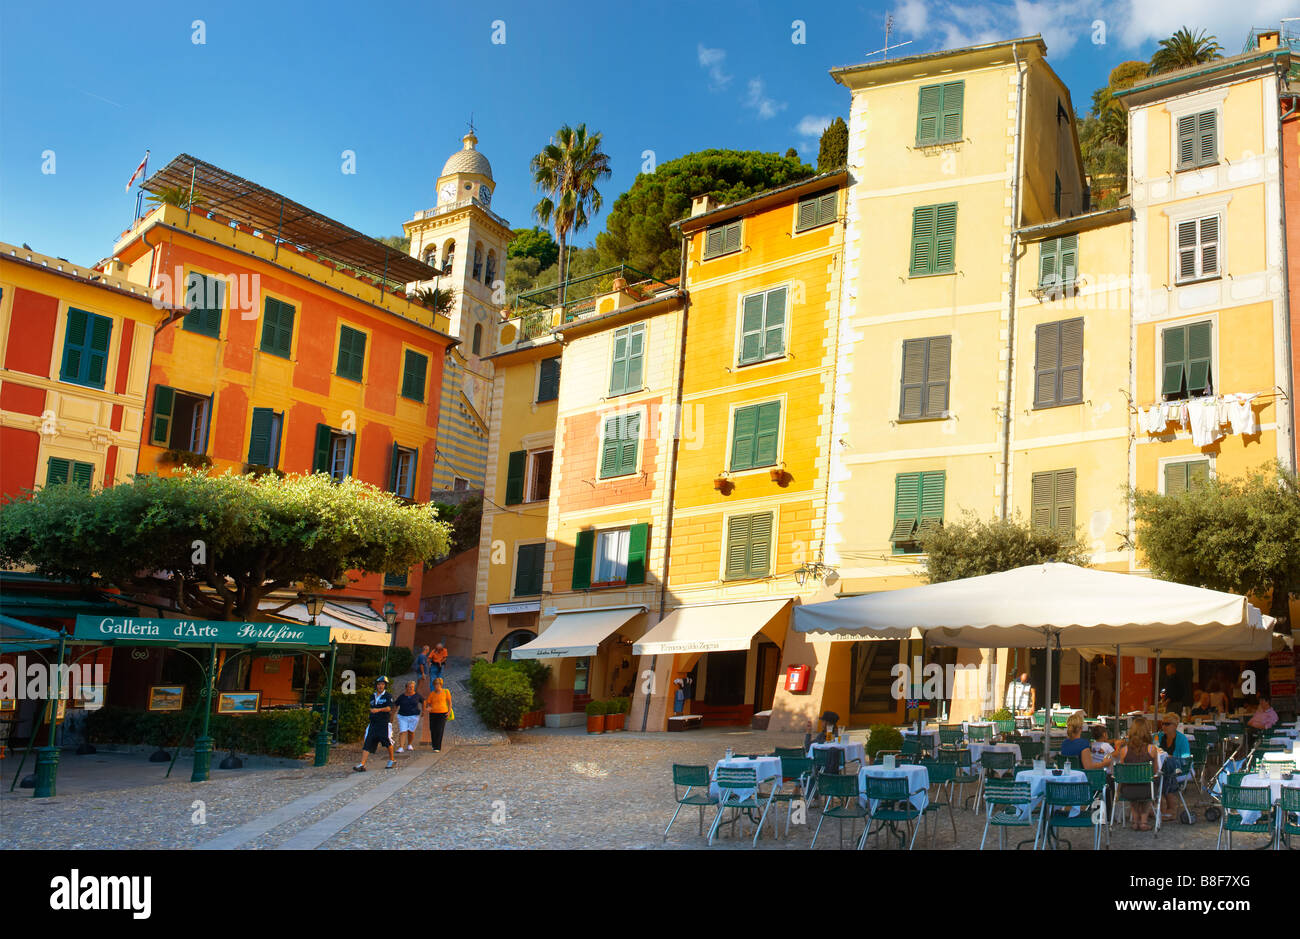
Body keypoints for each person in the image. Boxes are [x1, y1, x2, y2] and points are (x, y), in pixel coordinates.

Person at [1114, 717, 1161, 831]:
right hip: (1147, 790)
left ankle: (1135, 822)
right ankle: (1143, 822)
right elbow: (1155, 771)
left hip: (1129, 791)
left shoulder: (1124, 750)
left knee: (1132, 787)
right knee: (1149, 786)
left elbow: (1123, 773)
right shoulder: (1152, 749)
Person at [354, 676, 396, 771]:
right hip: (373, 723)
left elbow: (389, 708)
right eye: (379, 684)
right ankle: (362, 764)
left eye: (382, 684)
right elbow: (370, 707)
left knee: (386, 741)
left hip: (383, 723)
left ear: (385, 686)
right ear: (376, 685)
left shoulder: (388, 696)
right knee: (368, 742)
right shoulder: (372, 696)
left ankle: (392, 760)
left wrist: (378, 710)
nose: (380, 686)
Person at [1155, 712, 1192, 820]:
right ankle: (1161, 807)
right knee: (1160, 772)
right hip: (1161, 767)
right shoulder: (1159, 736)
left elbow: (1185, 759)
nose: (1164, 727)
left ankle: (1170, 808)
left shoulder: (1182, 739)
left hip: (1180, 766)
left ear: (1175, 726)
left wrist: (1170, 757)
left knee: (1166, 770)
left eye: (1167, 724)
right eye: (1162, 724)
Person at [424, 676, 453, 752]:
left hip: (442, 713)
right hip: (433, 713)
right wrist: (428, 707)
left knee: (439, 729)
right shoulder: (432, 694)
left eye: (437, 684)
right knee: (433, 729)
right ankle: (434, 745)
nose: (436, 686)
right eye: (435, 684)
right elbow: (428, 703)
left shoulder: (446, 692)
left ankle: (438, 747)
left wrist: (449, 712)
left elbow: (449, 703)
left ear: (441, 684)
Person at [394, 680, 423, 753]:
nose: (411, 688)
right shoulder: (402, 696)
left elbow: (424, 701)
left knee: (411, 731)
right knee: (403, 731)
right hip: (402, 716)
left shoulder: (417, 695)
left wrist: (424, 711)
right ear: (406, 688)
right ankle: (401, 747)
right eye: (409, 687)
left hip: (414, 716)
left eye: (412, 687)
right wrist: (392, 714)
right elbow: (396, 705)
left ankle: (409, 744)